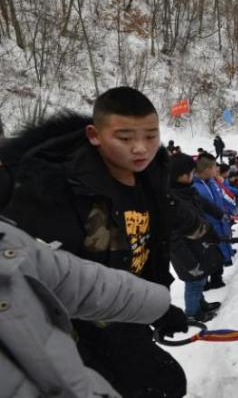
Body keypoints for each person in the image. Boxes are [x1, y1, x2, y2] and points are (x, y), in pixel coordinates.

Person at [0, 86, 187, 397]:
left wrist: (157, 306)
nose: (140, 148)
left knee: (169, 383)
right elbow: (56, 281)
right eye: (125, 138)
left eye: (151, 136)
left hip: (130, 306)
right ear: (94, 135)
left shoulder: (151, 176)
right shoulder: (54, 193)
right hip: (86, 333)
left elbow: (161, 234)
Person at [0, 219, 188, 398]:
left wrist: (159, 308)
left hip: (102, 356)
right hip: (91, 342)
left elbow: (82, 282)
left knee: (167, 382)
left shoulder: (7, 241)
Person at [169, 153, 223, 322]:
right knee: (194, 282)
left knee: (199, 280)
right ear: (182, 176)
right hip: (187, 255)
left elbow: (203, 204)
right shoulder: (171, 201)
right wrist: (190, 263)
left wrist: (219, 214)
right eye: (191, 173)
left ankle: (201, 304)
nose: (193, 176)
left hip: (198, 246)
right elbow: (173, 240)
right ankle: (192, 312)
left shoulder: (186, 190)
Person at [193, 154, 234, 287]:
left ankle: (217, 280)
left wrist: (227, 213)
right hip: (207, 229)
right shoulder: (195, 188)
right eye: (214, 166)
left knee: (219, 255)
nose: (217, 169)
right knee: (208, 257)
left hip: (220, 225)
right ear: (206, 170)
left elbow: (220, 200)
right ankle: (204, 284)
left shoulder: (212, 182)